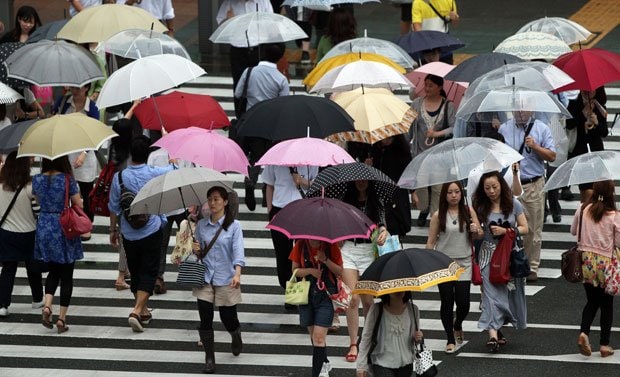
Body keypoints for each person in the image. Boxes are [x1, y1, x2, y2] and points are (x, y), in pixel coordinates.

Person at [108, 136, 175, 333]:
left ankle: (144, 311)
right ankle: (136, 311)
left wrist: (113, 230)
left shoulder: (119, 177)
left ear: (131, 154)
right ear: (147, 155)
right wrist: (172, 160)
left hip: (129, 233)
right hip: (151, 229)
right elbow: (173, 172)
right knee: (150, 270)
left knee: (136, 271)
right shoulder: (153, 173)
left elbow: (114, 206)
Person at [472, 171, 528, 352]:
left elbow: (525, 228)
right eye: (487, 188)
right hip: (488, 255)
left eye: (494, 187)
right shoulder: (480, 207)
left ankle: (497, 326)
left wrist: (506, 232)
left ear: (501, 186)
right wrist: (475, 230)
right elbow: (479, 234)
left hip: (510, 256)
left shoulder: (514, 204)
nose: (491, 191)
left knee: (507, 295)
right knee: (489, 295)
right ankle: (493, 336)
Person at [498, 110, 555, 282]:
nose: (521, 112)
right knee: (506, 224)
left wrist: (536, 146)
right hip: (508, 184)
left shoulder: (541, 128)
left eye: (524, 108)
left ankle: (531, 265)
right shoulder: (504, 128)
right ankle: (506, 261)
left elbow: (552, 156)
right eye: (517, 108)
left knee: (533, 228)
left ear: (531, 109)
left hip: (532, 183)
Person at [193, 186, 245, 374]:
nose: (212, 203)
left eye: (216, 199)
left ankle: (235, 333)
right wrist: (196, 248)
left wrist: (237, 273)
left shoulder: (234, 226)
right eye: (210, 199)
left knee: (227, 317)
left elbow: (238, 252)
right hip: (205, 277)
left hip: (226, 277)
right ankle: (209, 358)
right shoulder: (201, 225)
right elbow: (198, 253)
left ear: (225, 202)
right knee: (205, 318)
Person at [426, 181, 482, 354]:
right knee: (447, 301)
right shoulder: (438, 215)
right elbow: (431, 241)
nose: (454, 195)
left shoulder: (468, 211)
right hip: (444, 262)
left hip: (464, 262)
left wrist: (475, 229)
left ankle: (458, 324)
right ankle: (450, 338)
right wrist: (427, 261)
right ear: (445, 195)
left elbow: (480, 233)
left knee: (464, 303)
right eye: (450, 192)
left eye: (457, 191)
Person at [234, 43, 289, 211]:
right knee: (268, 158)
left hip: (249, 120)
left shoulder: (249, 72)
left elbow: (237, 93)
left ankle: (250, 179)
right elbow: (284, 105)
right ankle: (267, 191)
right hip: (270, 125)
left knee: (251, 156)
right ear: (280, 57)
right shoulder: (281, 79)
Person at [33, 156, 84, 333]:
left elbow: (38, 202)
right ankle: (62, 318)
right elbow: (78, 203)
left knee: (53, 269)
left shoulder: (37, 179)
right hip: (64, 226)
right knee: (67, 274)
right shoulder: (68, 179)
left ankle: (47, 306)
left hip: (45, 225)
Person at [340, 180, 388, 362]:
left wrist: (383, 232)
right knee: (353, 297)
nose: (361, 183)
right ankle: (353, 343)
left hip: (369, 250)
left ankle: (367, 341)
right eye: (357, 180)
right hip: (348, 249)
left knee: (368, 300)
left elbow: (382, 224)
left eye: (364, 180)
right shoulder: (345, 200)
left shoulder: (377, 201)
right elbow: (337, 223)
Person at [572, 180, 618, 358]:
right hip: (605, 263)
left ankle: (584, 332)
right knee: (607, 304)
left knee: (592, 301)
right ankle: (604, 344)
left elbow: (573, 230)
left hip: (586, 262)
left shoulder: (583, 209)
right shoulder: (614, 215)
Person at [262, 164, 318, 308]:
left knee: (302, 254)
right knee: (283, 255)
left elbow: (316, 185)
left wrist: (301, 181)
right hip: (280, 210)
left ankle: (302, 292)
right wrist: (270, 212)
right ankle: (291, 292)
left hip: (303, 210)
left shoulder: (310, 161)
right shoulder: (275, 161)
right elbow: (269, 185)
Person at [52, 84, 101, 241]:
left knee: (86, 192)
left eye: (78, 88)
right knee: (66, 190)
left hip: (85, 153)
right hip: (66, 151)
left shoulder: (92, 107)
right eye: (73, 87)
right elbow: (54, 117)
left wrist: (84, 154)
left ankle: (87, 224)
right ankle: (68, 222)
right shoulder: (64, 102)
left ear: (86, 89)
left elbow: (95, 133)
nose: (75, 90)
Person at [289, 239, 343, 377]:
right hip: (306, 295)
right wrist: (311, 271)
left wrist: (325, 260)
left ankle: (317, 373)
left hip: (326, 296)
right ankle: (324, 362)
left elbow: (339, 271)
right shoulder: (301, 244)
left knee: (319, 338)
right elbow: (294, 271)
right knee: (314, 337)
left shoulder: (331, 247)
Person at [0, 152, 43, 317]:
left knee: (8, 269)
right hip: (29, 232)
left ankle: (3, 305)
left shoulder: (1, 185)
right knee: (33, 267)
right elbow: (37, 211)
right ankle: (37, 298)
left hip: (7, 233)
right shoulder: (30, 187)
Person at [409, 74, 455, 226]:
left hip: (440, 157)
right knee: (421, 188)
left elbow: (453, 128)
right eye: (425, 85)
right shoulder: (416, 104)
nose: (427, 88)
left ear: (439, 87)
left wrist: (438, 133)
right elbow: (408, 127)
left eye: (430, 85)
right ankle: (424, 209)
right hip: (420, 154)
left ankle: (436, 219)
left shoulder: (448, 105)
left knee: (438, 189)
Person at [216, 0, 273, 117]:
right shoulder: (230, 3)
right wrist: (229, 20)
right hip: (238, 49)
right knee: (239, 85)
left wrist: (261, 22)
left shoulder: (263, 2)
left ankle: (260, 115)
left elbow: (271, 22)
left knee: (259, 83)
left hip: (259, 47)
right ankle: (241, 117)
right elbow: (221, 26)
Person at [107, 100, 142, 290]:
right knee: (127, 237)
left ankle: (125, 271)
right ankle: (121, 276)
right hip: (130, 196)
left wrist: (134, 106)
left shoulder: (114, 145)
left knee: (122, 231)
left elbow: (122, 126)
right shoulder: (131, 152)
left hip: (117, 192)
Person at [356, 291, 424, 377]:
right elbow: (366, 338)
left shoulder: (413, 309)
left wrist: (418, 338)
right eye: (394, 290)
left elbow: (415, 340)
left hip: (406, 363)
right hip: (382, 362)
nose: (398, 291)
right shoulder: (376, 309)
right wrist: (361, 366)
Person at [566, 87, 608, 204]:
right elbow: (568, 124)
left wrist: (596, 122)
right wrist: (582, 114)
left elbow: (604, 132)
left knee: (593, 187)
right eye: (585, 90)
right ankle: (584, 215)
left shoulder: (600, 108)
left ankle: (589, 214)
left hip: (596, 151)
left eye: (591, 90)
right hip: (581, 151)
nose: (588, 92)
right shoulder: (574, 104)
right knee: (585, 188)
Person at [369, 135, 412, 238]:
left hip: (397, 192)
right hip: (378, 190)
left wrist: (413, 191)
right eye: (385, 138)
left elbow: (409, 170)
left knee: (395, 224)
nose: (387, 141)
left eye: (390, 138)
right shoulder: (374, 149)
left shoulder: (401, 150)